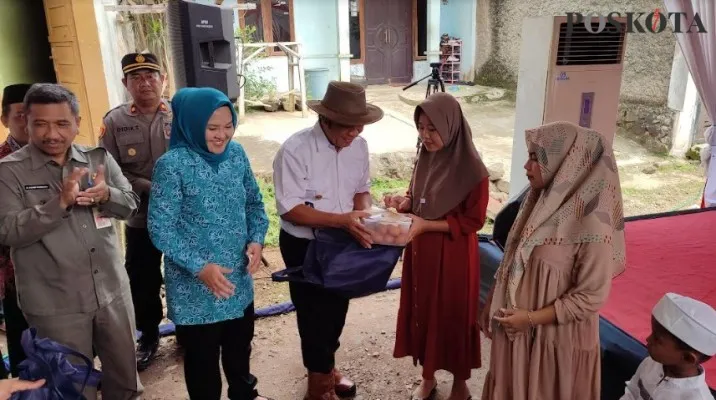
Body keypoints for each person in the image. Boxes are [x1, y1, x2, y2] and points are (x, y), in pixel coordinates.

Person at [0, 83, 142, 400]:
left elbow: (131, 204)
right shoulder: (9, 173)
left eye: (62, 123)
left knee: (125, 379)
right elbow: (7, 230)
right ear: (27, 123)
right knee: (71, 389)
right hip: (54, 305)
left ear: (77, 122)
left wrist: (108, 195)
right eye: (41, 124)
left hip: (111, 294)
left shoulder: (98, 159)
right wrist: (58, 203)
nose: (52, 134)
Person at [480, 121, 627, 400]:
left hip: (555, 342)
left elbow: (591, 296)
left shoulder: (594, 226)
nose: (527, 166)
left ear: (568, 163)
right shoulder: (540, 204)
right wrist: (493, 298)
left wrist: (532, 319)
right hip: (521, 335)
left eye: (536, 158)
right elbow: (514, 254)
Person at [148, 87, 271, 400]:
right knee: (202, 360)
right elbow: (161, 227)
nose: (222, 136)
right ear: (191, 124)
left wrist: (257, 240)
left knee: (239, 347)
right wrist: (199, 267)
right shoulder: (172, 165)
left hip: (237, 279)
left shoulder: (237, 155)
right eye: (212, 128)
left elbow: (255, 205)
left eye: (228, 126)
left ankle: (245, 394)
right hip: (196, 289)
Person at [272, 81, 383, 400]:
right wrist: (342, 221)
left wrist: (363, 215)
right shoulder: (295, 149)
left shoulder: (359, 148)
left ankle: (327, 368)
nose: (355, 132)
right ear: (325, 121)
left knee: (337, 307)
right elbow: (291, 209)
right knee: (312, 313)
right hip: (305, 244)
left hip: (344, 239)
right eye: (348, 126)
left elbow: (361, 189)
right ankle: (318, 386)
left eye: (360, 125)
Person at [385, 93, 489, 400]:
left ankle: (460, 382)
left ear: (451, 126)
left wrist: (427, 224)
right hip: (421, 252)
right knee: (424, 310)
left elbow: (473, 221)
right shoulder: (425, 157)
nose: (425, 135)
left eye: (433, 128)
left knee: (455, 314)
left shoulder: (473, 171)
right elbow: (417, 196)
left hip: (455, 255)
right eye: (420, 127)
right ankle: (427, 376)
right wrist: (403, 203)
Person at [99, 52, 170, 370]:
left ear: (163, 79)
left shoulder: (179, 114)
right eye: (137, 77)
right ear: (125, 83)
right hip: (140, 215)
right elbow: (108, 169)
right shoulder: (114, 121)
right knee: (142, 276)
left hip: (182, 214)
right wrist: (144, 184)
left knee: (187, 272)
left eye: (151, 75)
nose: (145, 82)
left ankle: (190, 329)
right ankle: (149, 335)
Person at [620, 293, 716, 400]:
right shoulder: (650, 363)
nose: (648, 339)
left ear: (687, 358)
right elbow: (632, 392)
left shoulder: (697, 397)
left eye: (657, 339)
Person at [0, 83, 32, 377]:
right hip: (15, 273)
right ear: (4, 119)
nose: (29, 122)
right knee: (23, 342)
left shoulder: (61, 157)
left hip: (63, 270)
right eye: (20, 114)